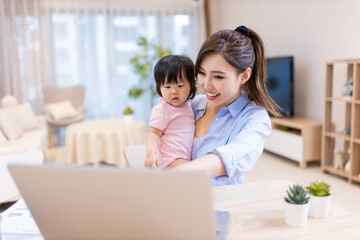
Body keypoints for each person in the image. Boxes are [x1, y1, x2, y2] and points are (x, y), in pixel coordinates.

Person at [174, 26, 280, 186]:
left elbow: (231, 157)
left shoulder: (255, 119)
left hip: (220, 205)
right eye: (202, 73)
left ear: (244, 76)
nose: (206, 85)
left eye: (218, 76)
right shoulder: (191, 105)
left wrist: (175, 175)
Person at [144, 55, 197, 169]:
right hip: (170, 160)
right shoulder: (162, 109)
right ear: (159, 87)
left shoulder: (188, 104)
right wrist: (151, 154)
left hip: (183, 157)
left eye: (180, 85)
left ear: (191, 86)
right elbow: (153, 133)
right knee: (195, 175)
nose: (174, 91)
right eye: (167, 87)